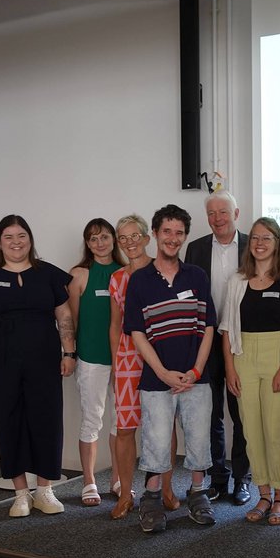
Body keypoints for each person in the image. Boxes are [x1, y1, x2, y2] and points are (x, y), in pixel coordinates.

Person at [0, 215, 75, 518]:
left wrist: (69, 353)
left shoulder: (48, 274)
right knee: (8, 420)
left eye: (21, 235)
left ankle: (45, 490)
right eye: (8, 236)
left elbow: (64, 317)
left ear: (30, 239)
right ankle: (21, 493)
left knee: (47, 419)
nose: (16, 242)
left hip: (44, 359)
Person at [124, 205, 217, 532]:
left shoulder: (197, 276)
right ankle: (150, 501)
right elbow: (136, 332)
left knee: (198, 440)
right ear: (156, 234)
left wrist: (195, 371)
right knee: (157, 442)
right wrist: (163, 373)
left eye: (179, 233)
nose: (173, 238)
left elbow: (207, 327)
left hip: (196, 378)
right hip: (156, 379)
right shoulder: (139, 280)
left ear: (185, 237)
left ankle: (197, 493)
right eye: (167, 232)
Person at [221, 218, 280, 526]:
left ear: (277, 243)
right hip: (244, 359)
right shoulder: (237, 281)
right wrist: (230, 367)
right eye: (255, 237)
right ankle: (263, 494)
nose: (259, 243)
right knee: (251, 431)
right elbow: (227, 328)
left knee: (277, 429)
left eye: (266, 238)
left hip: (279, 358)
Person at [108, 214, 180, 520]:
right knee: (125, 428)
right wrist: (116, 364)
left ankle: (166, 489)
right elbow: (115, 325)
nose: (129, 243)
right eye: (123, 238)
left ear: (147, 238)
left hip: (160, 356)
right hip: (127, 358)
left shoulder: (162, 270)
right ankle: (126, 494)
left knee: (164, 426)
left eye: (134, 236)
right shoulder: (117, 278)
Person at [184, 190, 251, 505]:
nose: (217, 219)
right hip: (207, 343)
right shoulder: (195, 249)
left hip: (242, 343)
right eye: (211, 213)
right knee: (210, 416)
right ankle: (218, 479)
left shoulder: (255, 245)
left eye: (223, 212)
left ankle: (242, 479)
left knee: (242, 415)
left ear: (236, 214)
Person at [67, 218, 126, 507]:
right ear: (87, 244)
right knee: (92, 419)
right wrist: (71, 353)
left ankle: (117, 477)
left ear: (114, 239)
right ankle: (89, 480)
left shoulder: (127, 272)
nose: (99, 243)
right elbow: (71, 319)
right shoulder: (79, 275)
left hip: (124, 358)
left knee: (121, 422)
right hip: (91, 357)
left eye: (104, 237)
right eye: (93, 239)